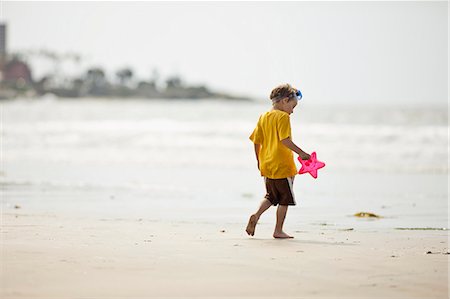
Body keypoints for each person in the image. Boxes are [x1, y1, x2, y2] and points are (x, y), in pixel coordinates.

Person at [246, 83, 310, 239]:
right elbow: (285, 140)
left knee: (270, 196)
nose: (293, 111)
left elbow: (256, 141)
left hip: (267, 164)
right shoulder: (283, 117)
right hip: (282, 165)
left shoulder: (264, 117)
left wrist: (259, 161)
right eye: (293, 106)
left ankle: (256, 214)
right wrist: (301, 153)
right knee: (284, 200)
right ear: (285, 101)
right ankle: (278, 230)